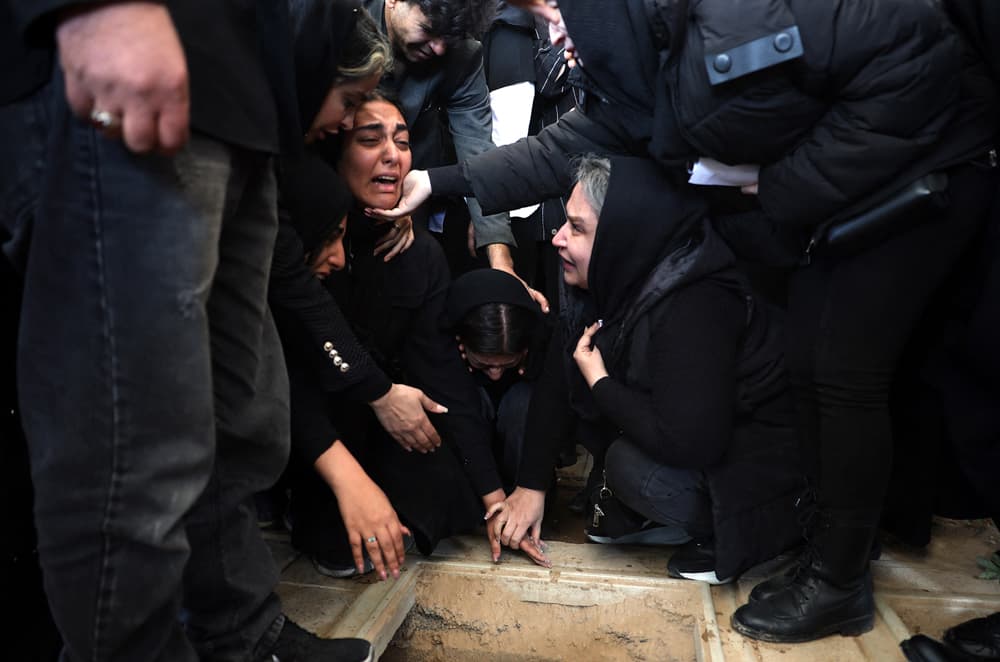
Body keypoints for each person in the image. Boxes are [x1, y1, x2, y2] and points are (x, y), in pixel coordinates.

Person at [373, 0, 999, 643]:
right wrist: (438, 181)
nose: (551, 31)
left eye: (556, 10)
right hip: (837, 203)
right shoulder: (645, 61)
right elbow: (567, 147)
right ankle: (832, 551)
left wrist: (783, 183)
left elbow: (918, 65)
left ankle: (836, 580)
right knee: (820, 370)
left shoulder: (733, 25)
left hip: (917, 177)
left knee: (842, 377)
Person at [0, 0, 376, 659]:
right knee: (132, 454)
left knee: (238, 424)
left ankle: (244, 637)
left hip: (244, 93)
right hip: (138, 59)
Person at [487, 155, 801, 581]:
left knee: (632, 471)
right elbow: (562, 374)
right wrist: (531, 486)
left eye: (577, 228)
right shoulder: (613, 277)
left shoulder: (694, 301)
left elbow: (691, 443)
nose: (558, 238)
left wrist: (600, 383)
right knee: (610, 495)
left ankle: (753, 528)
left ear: (621, 236)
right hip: (688, 429)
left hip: (759, 460)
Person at [278, 94, 510, 573]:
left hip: (376, 415)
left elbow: (445, 375)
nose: (392, 154)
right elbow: (290, 374)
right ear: (334, 151)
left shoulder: (416, 253)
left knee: (447, 480)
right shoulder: (294, 240)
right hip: (309, 418)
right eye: (370, 140)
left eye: (403, 143)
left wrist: (495, 498)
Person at [360, 0, 551, 311]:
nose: (437, 49)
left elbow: (477, 148)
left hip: (408, 194)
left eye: (446, 38)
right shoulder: (342, 19)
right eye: (428, 30)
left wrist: (501, 261)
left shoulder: (461, 54)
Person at [442, 268, 548, 489]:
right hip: (471, 476)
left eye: (508, 364)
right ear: (461, 342)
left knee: (523, 404)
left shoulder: (543, 342)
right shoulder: (444, 349)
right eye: (483, 364)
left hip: (522, 475)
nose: (496, 374)